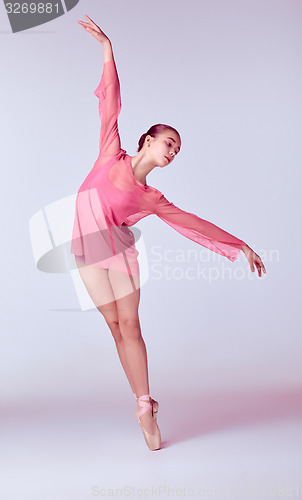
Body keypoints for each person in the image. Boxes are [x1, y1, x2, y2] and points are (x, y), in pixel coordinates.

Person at [70, 15, 266, 451]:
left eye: (177, 149)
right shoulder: (110, 153)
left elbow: (194, 223)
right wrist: (108, 49)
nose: (173, 151)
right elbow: (110, 103)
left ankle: (144, 404)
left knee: (130, 325)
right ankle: (143, 402)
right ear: (148, 140)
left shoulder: (151, 198)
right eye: (169, 142)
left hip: (118, 253)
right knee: (113, 329)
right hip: (84, 248)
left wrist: (241, 246)